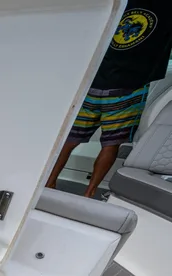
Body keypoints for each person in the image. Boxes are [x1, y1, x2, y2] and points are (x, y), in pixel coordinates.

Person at [46, 0, 172, 197]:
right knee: (110, 144)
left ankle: (48, 183)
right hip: (129, 85)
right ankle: (90, 193)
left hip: (95, 79)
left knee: (69, 139)